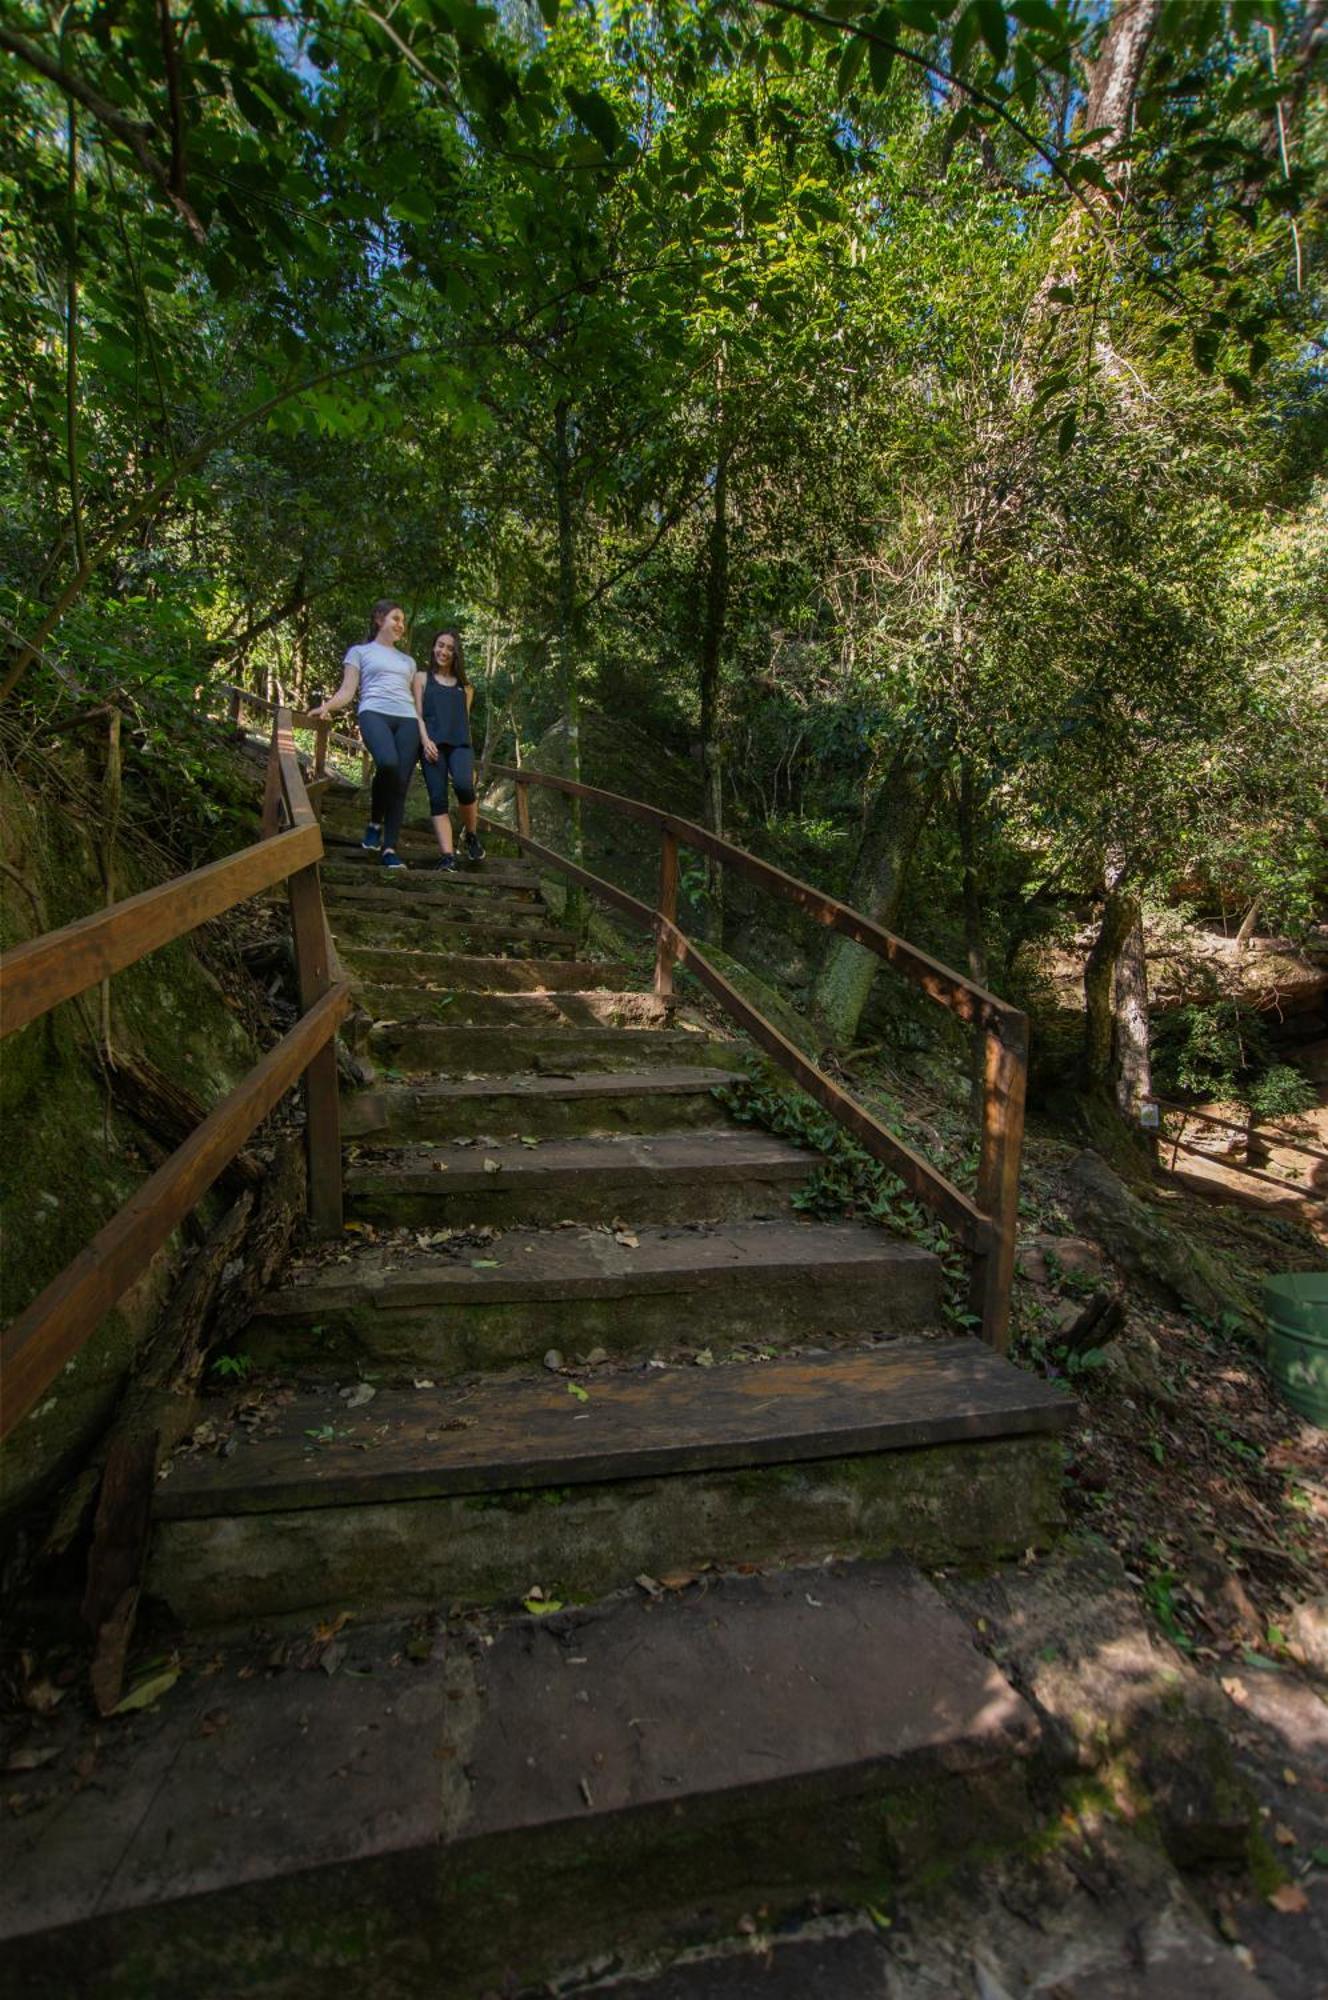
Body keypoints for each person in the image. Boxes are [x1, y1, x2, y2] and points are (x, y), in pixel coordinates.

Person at [312, 599, 418, 871]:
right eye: (396, 618)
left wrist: (427, 734)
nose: (400, 625)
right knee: (388, 764)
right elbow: (348, 691)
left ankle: (390, 849)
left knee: (401, 784)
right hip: (374, 713)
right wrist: (326, 706)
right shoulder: (359, 652)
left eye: (403, 621)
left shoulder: (408, 661)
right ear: (379, 619)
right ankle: (374, 822)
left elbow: (416, 700)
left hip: (407, 719)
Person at [414, 628, 485, 870]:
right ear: (433, 647)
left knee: (464, 786)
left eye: (449, 648)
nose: (443, 651)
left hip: (460, 746)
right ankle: (448, 856)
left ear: (456, 654)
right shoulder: (421, 678)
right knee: (437, 798)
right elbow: (417, 715)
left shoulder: (465, 687)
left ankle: (471, 835)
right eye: (440, 645)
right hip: (432, 746)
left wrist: (471, 759)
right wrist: (425, 741)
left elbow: (463, 720)